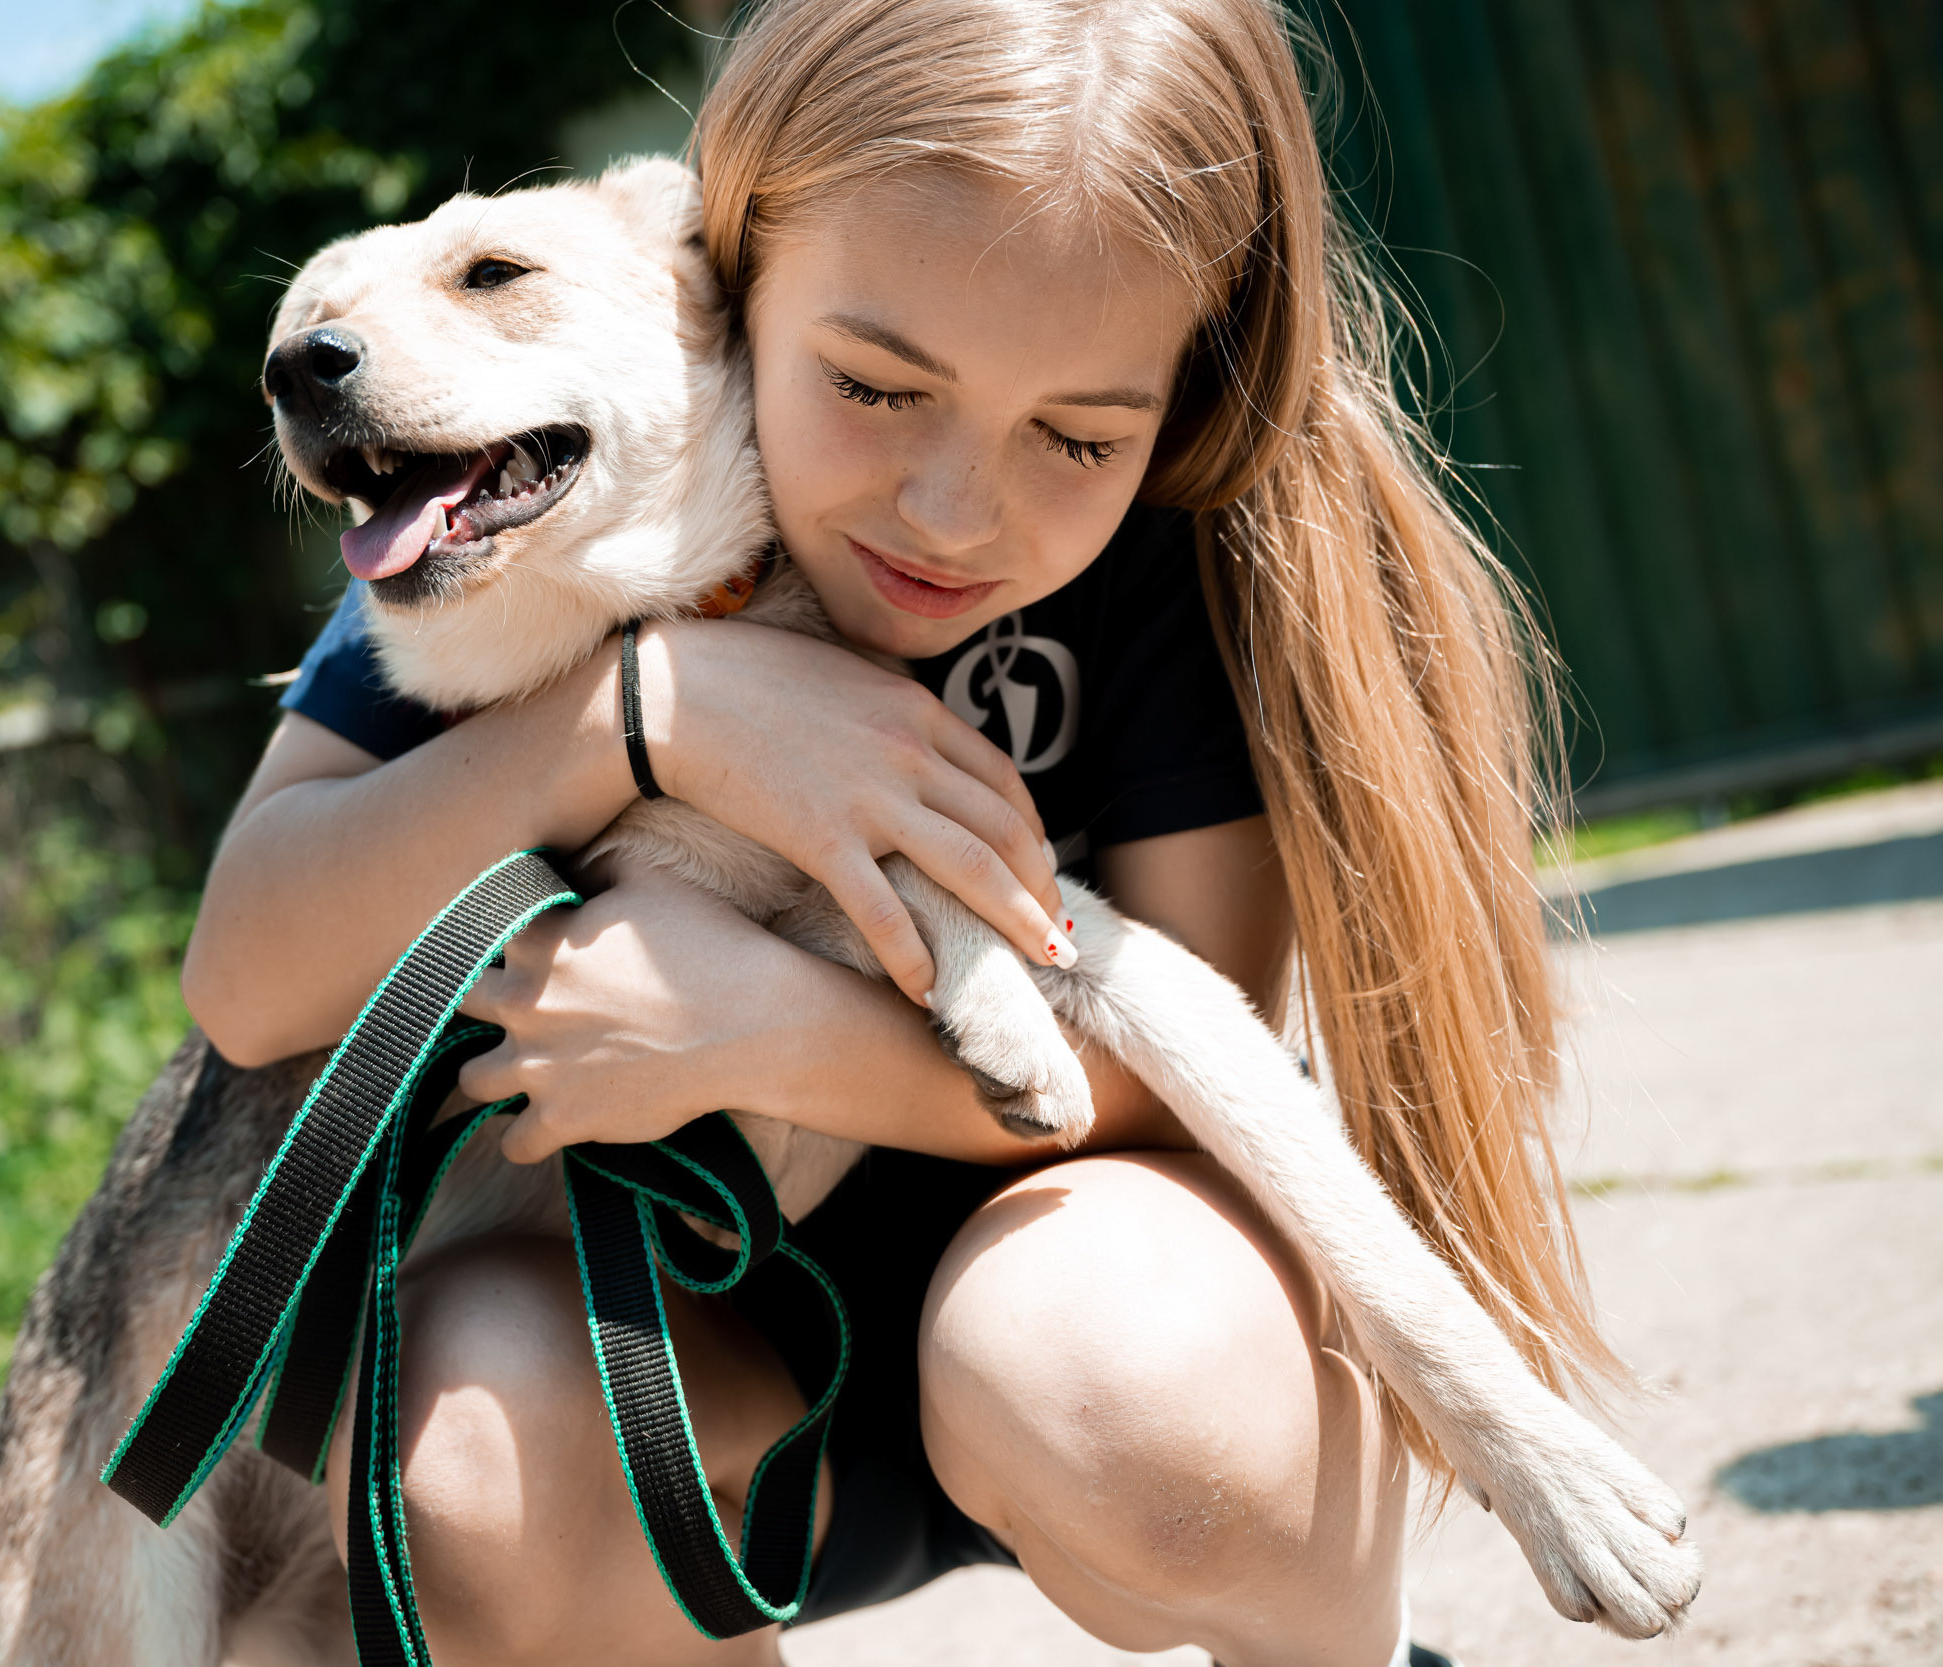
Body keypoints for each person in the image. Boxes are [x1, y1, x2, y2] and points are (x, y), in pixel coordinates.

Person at [180, 0, 1617, 1661]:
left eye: (1079, 433)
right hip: (692, 1401)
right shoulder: (539, 528)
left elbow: (1184, 1060)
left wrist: (772, 1030)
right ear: (724, 288)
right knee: (466, 1439)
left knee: (1122, 1384)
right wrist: (643, 714)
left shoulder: (1166, 565)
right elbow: (244, 975)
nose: (954, 512)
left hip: (1089, 1333)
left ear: (1182, 396)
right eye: (872, 386)